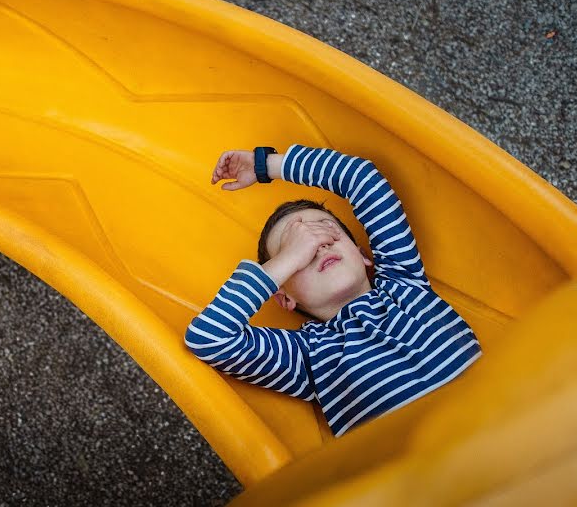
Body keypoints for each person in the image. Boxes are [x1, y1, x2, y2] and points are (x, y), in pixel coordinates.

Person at [184, 144, 482, 436]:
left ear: (364, 255)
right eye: (297, 248)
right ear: (284, 296)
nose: (318, 244)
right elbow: (210, 339)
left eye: (327, 231)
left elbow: (361, 178)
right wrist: (288, 259)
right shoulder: (308, 357)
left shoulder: (404, 282)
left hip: (509, 424)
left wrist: (267, 165)